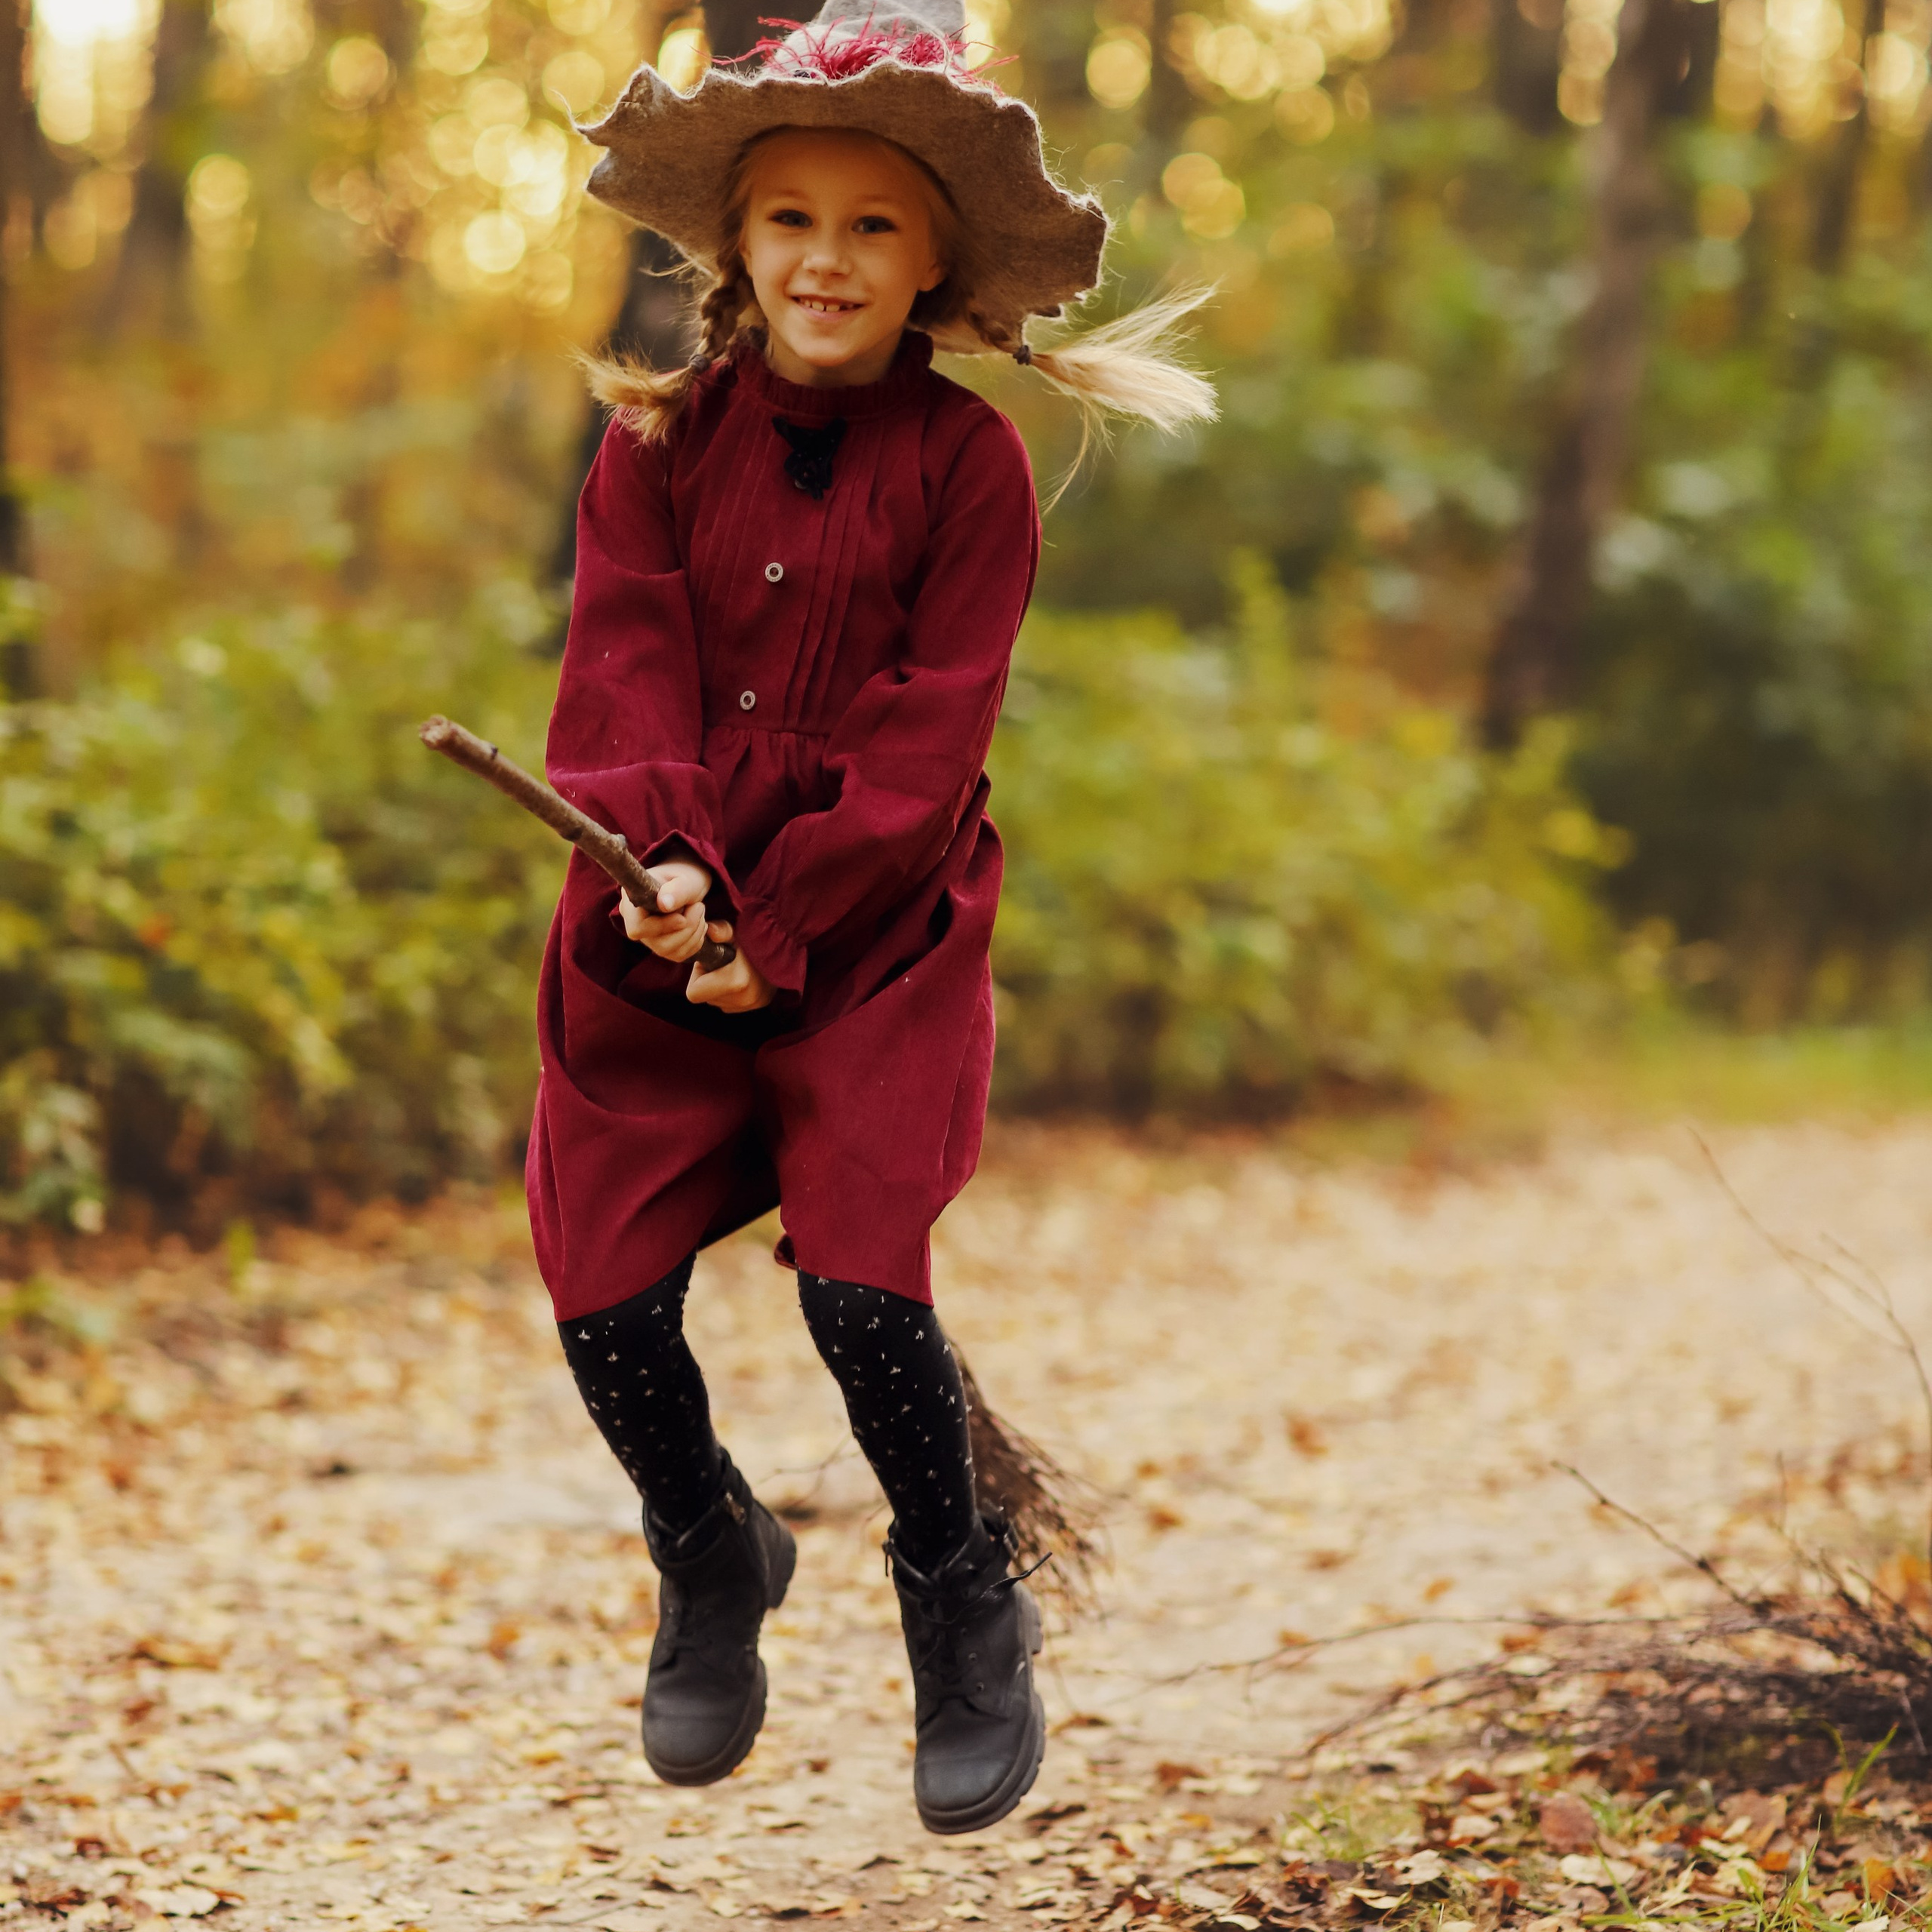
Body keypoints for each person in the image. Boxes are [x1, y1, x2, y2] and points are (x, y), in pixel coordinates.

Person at [530, 0, 1215, 1834]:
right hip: (653, 905)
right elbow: (624, 667)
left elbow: (928, 737)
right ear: (737, 247)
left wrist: (791, 910)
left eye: (871, 225)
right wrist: (662, 865)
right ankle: (707, 1541)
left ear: (932, 267)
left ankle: (958, 1585)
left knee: (857, 1282)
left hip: (875, 918)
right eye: (789, 220)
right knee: (598, 1285)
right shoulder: (657, 438)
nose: (825, 258)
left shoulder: (969, 468)